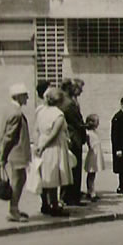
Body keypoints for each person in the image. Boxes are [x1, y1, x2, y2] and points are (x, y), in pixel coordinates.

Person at [35, 87, 73, 217]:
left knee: (44, 175)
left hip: (41, 142)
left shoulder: (40, 111)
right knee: (54, 175)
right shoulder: (58, 114)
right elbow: (54, 134)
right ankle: (54, 205)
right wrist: (44, 146)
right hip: (54, 146)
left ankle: (44, 204)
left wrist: (38, 145)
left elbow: (36, 130)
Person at [0, 83, 32, 223]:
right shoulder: (16, 113)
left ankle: (15, 208)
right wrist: (3, 157)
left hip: (16, 152)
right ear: (18, 96)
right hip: (16, 152)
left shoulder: (11, 110)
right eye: (25, 95)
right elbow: (9, 137)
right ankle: (13, 210)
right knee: (18, 180)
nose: (27, 98)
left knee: (20, 179)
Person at [59, 78, 87, 206]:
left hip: (72, 137)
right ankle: (72, 197)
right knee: (74, 168)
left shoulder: (65, 101)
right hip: (73, 138)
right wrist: (86, 126)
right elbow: (77, 122)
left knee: (71, 167)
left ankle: (71, 196)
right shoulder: (69, 103)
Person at [35, 80, 53, 215]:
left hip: (45, 143)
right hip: (45, 144)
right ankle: (45, 203)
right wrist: (37, 145)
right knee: (45, 175)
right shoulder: (40, 110)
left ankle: (50, 202)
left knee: (50, 175)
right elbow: (36, 129)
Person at [83, 114, 105, 201]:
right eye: (96, 121)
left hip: (96, 154)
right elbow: (90, 144)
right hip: (93, 155)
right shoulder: (88, 133)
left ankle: (91, 191)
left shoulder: (94, 132)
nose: (98, 123)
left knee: (93, 174)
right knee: (91, 175)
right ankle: (91, 192)